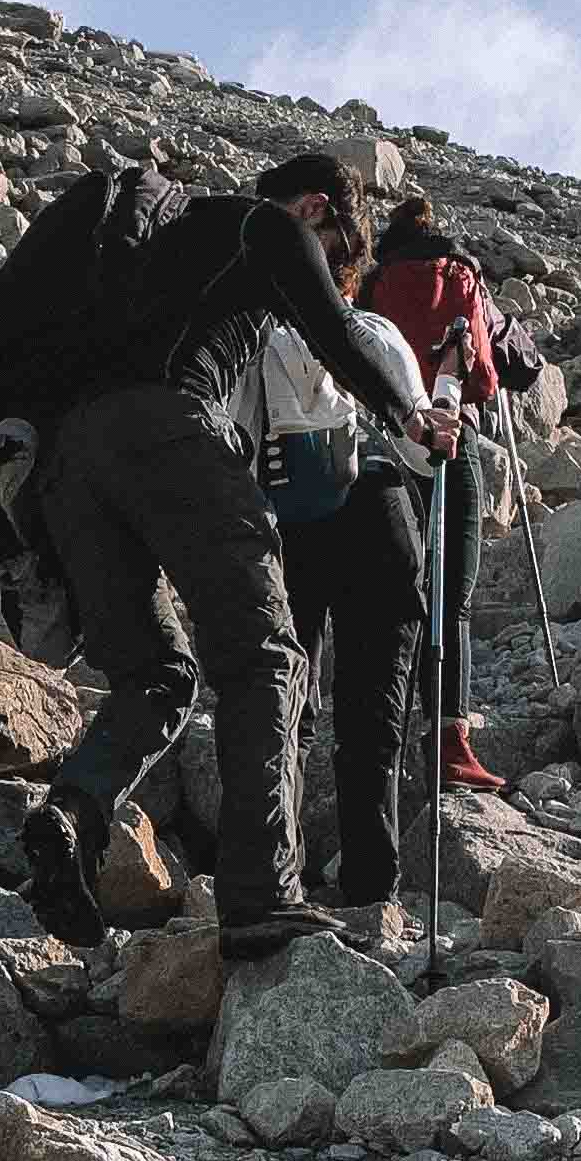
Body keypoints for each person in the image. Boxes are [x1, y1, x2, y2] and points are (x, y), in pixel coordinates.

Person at [19, 151, 456, 958]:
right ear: (319, 210)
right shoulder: (269, 229)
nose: (329, 276)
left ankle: (71, 813)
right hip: (168, 432)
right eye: (337, 258)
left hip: (69, 462)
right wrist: (410, 415)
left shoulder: (157, 241)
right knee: (266, 659)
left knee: (158, 673)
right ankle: (262, 897)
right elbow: (334, 335)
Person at [254, 219, 434, 951]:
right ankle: (372, 890)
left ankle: (277, 878)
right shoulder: (380, 334)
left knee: (285, 701)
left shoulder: (259, 337)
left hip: (291, 518)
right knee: (373, 720)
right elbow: (424, 454)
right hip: (383, 513)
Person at [366, 193, 500, 786]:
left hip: (387, 438)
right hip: (447, 433)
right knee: (454, 591)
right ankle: (449, 739)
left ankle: (383, 727)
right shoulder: (459, 275)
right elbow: (482, 377)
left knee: (398, 582)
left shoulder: (372, 282)